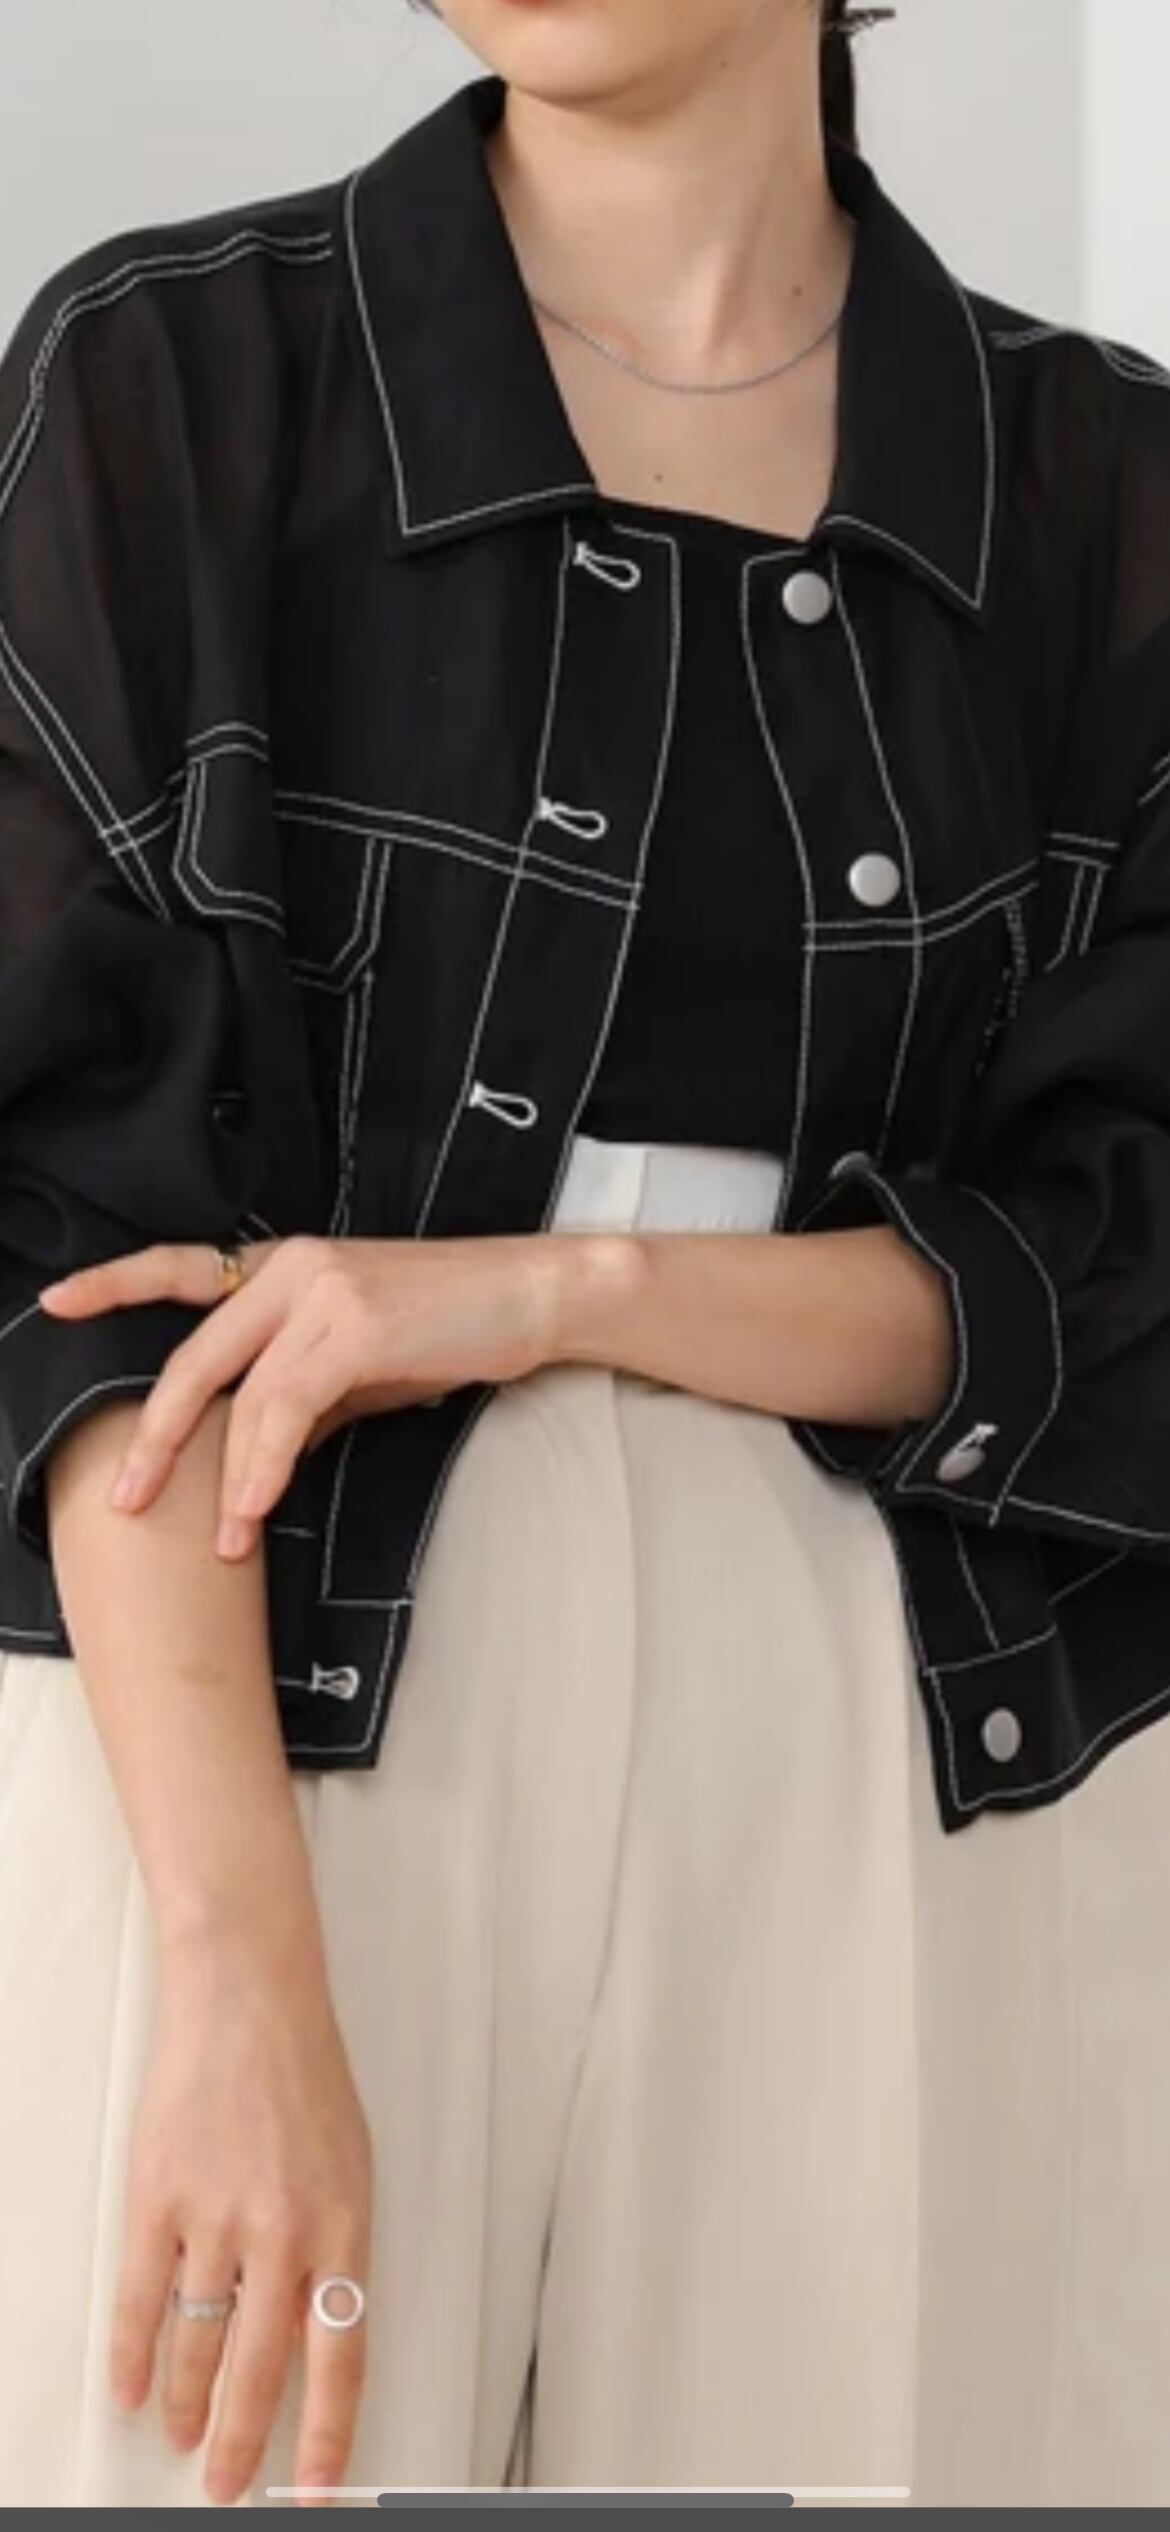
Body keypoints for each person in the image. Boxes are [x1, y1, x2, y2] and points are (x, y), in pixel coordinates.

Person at [2, 0, 1170, 2505]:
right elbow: (60, 1245)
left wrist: (558, 1296)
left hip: (891, 1756)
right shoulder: (175, 382)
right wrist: (233, 1964)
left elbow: (1125, 1258)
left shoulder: (1107, 492)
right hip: (257, 1726)